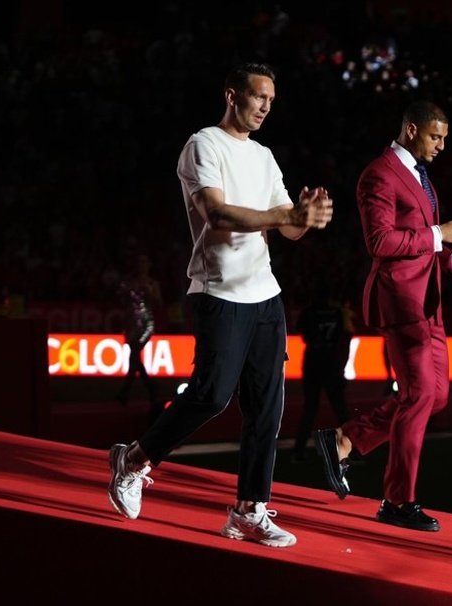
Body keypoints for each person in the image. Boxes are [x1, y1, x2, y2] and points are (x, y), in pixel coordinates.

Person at [106, 62, 334, 548]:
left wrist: (305, 220)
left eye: (272, 100)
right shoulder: (202, 145)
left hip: (265, 293)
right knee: (211, 394)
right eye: (258, 97)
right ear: (232, 94)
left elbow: (287, 228)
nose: (266, 106)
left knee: (267, 408)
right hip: (218, 291)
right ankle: (135, 459)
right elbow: (217, 213)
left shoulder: (265, 156)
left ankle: (249, 510)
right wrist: (283, 215)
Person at [313, 100, 452, 532]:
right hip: (402, 303)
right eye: (435, 136)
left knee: (435, 397)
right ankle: (397, 500)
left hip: (431, 301)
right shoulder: (379, 174)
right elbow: (381, 242)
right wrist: (438, 234)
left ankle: (346, 440)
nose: (442, 145)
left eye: (444, 137)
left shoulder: (421, 177)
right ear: (410, 130)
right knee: (421, 396)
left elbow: (427, 242)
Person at [291, 276, 353, 463]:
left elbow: (300, 331)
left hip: (313, 364)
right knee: (341, 410)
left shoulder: (308, 313)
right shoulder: (337, 313)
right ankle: (353, 449)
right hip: (332, 364)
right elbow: (345, 337)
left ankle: (299, 451)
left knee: (310, 408)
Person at [115, 253, 163, 409]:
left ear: (148, 265)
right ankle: (151, 389)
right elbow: (120, 300)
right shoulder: (129, 283)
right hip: (130, 324)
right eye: (139, 262)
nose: (141, 265)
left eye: (144, 262)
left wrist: (150, 293)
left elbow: (159, 303)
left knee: (134, 353)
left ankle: (125, 390)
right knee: (135, 357)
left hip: (146, 323)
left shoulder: (152, 283)